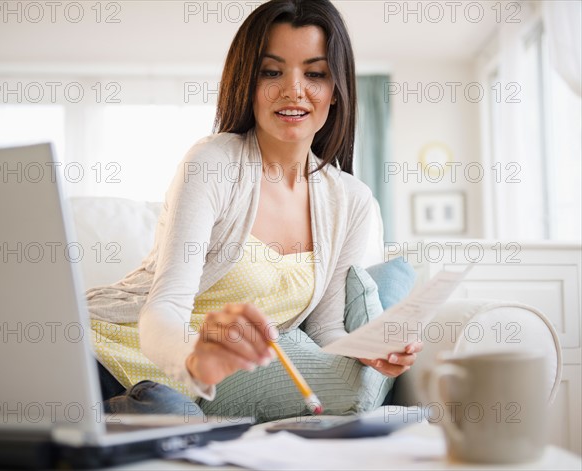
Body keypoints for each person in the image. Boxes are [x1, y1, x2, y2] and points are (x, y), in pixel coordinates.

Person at [87, 0, 422, 416]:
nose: (293, 90)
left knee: (180, 416)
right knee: (174, 414)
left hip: (183, 395)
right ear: (248, 82)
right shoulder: (213, 163)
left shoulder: (351, 202)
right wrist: (197, 358)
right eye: (271, 71)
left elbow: (326, 331)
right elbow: (164, 310)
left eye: (314, 73)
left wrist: (370, 352)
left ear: (336, 91)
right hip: (101, 357)